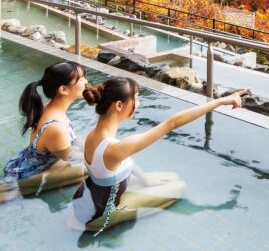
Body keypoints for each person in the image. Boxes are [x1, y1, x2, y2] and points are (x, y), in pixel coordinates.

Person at [71, 77, 247, 233]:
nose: (138, 103)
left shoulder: (93, 134)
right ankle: (105, 223)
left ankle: (133, 194)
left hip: (91, 197)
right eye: (136, 98)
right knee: (180, 186)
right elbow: (173, 123)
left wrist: (145, 180)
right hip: (102, 213)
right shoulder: (115, 149)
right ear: (118, 105)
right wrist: (220, 102)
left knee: (171, 177)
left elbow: (117, 162)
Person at [0, 62, 88, 205]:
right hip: (29, 175)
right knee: (91, 170)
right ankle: (13, 190)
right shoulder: (56, 128)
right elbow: (71, 158)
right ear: (63, 89)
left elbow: (74, 141)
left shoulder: (49, 108)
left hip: (21, 164)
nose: (86, 81)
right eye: (81, 79)